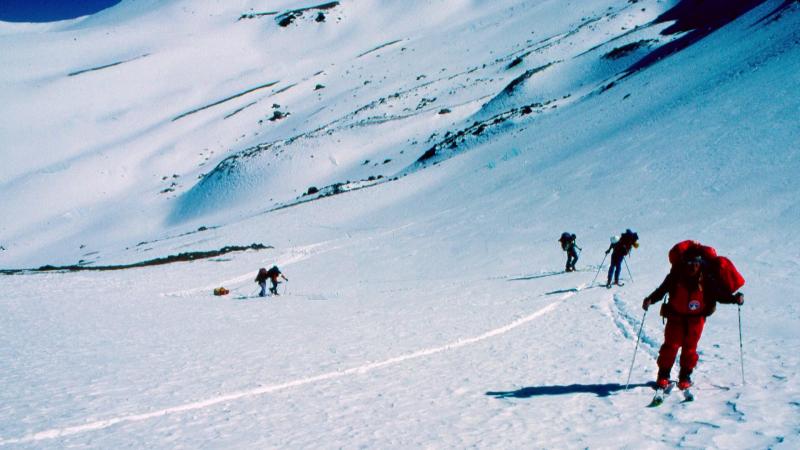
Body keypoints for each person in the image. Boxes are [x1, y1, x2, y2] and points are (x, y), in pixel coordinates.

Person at [642, 247, 744, 391]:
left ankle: (685, 377)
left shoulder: (707, 279)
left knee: (690, 349)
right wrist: (650, 300)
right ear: (684, 262)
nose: (692, 265)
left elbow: (719, 295)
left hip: (696, 320)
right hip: (675, 317)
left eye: (696, 262)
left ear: (700, 263)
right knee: (670, 347)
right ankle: (663, 376)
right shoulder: (675, 276)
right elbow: (662, 290)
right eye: (689, 262)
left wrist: (734, 299)